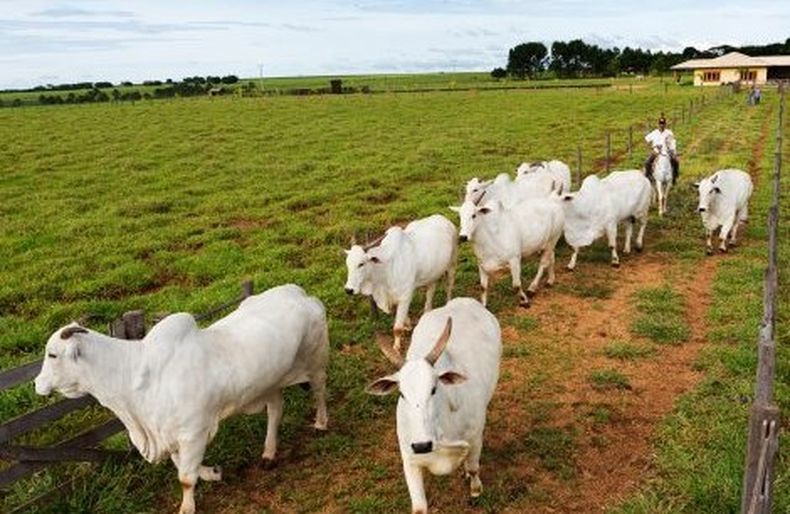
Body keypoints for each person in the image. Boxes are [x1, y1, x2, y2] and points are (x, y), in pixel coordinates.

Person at [644, 116, 679, 184]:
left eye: (663, 123)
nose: (661, 125)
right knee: (647, 162)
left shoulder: (669, 132)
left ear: (665, 124)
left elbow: (672, 142)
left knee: (676, 162)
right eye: (660, 123)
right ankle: (648, 176)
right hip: (656, 152)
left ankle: (674, 177)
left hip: (666, 152)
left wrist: (672, 151)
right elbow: (646, 140)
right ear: (658, 124)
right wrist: (651, 149)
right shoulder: (654, 133)